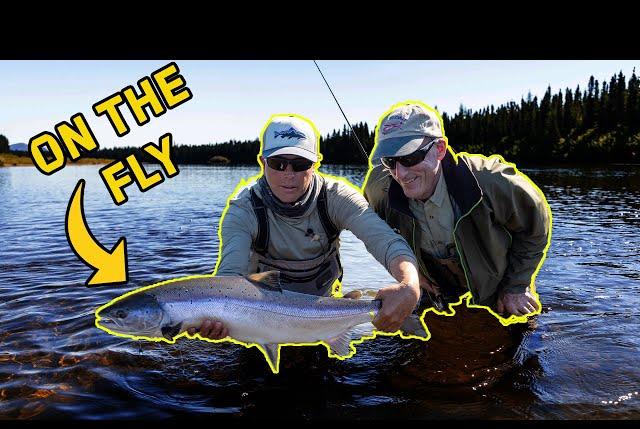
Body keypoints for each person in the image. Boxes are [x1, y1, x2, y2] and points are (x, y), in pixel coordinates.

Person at [191, 113, 421, 340]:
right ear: (262, 163)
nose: (289, 174)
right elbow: (229, 276)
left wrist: (409, 285)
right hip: (260, 318)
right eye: (278, 164)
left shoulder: (337, 198)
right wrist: (215, 315)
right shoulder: (243, 210)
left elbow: (385, 241)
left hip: (326, 314)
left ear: (315, 164)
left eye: (300, 164)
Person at [363, 101, 552, 321]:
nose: (400, 174)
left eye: (410, 157)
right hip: (435, 285)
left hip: (496, 285)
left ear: (440, 149)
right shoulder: (379, 188)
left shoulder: (493, 182)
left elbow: (536, 226)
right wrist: (410, 275)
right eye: (390, 161)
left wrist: (516, 285)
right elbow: (377, 237)